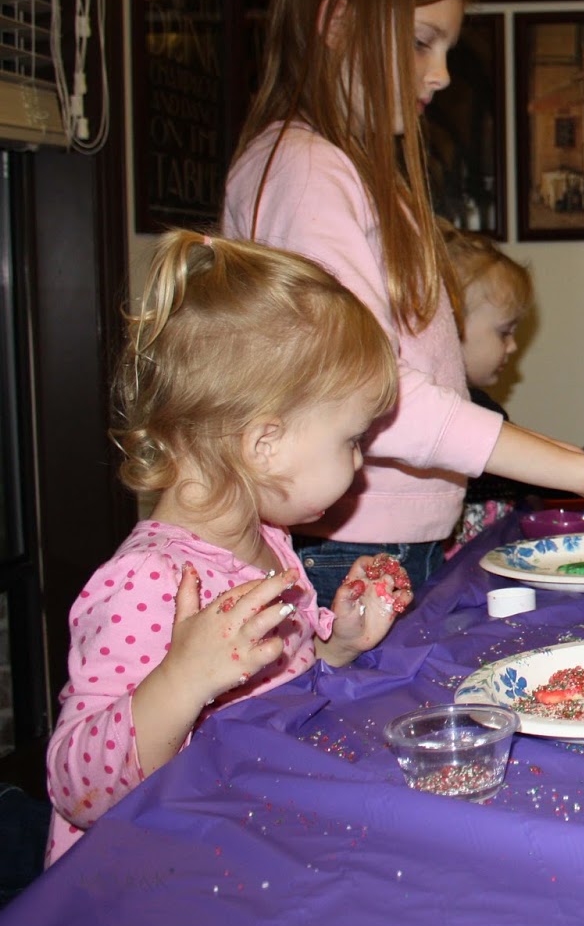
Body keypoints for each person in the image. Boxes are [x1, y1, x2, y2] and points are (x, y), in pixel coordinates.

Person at [223, 0, 584, 603]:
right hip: (345, 550)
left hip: (391, 538)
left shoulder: (351, 171)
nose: (438, 76)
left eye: (446, 50)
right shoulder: (306, 173)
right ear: (337, 25)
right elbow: (374, 393)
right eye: (419, 43)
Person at [43, 231, 413, 866]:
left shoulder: (267, 542)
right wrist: (182, 679)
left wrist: (337, 645)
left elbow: (273, 691)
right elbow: (77, 790)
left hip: (251, 842)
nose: (361, 463)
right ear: (264, 443)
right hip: (155, 880)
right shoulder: (148, 581)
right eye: (353, 439)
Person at [442, 224, 537, 553]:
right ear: (450, 324)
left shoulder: (482, 405)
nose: (511, 347)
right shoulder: (469, 414)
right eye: (504, 332)